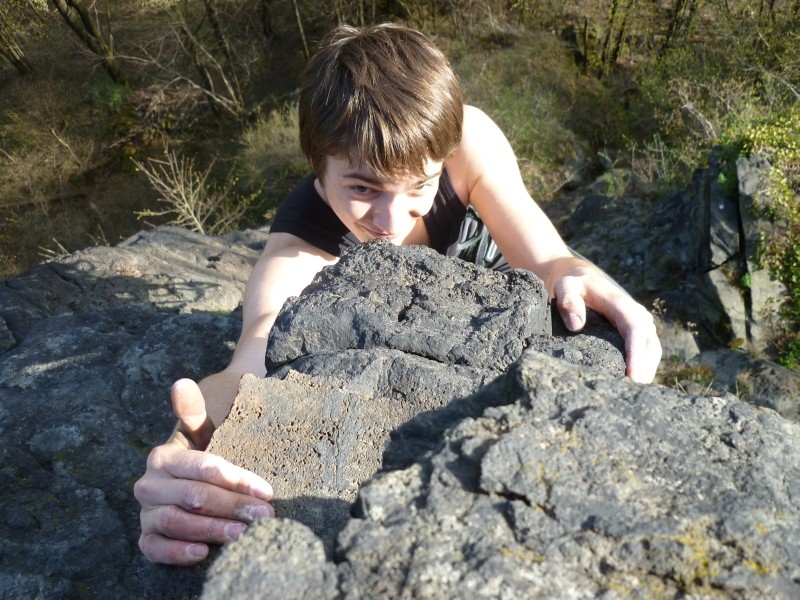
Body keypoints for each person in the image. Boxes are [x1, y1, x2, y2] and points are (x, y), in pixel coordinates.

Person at [134, 23, 662, 566]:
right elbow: (251, 359)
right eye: (362, 188)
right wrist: (193, 446)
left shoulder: (465, 140)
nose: (390, 220)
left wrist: (586, 279)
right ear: (318, 164)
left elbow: (549, 258)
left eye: (420, 187)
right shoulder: (300, 249)